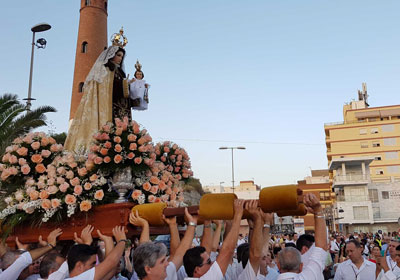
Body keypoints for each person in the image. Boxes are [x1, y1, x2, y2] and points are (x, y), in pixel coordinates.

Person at [65, 43, 132, 152]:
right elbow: (104, 89)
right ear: (111, 55)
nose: (120, 58)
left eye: (122, 56)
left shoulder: (120, 73)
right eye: (118, 55)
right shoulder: (103, 70)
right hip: (107, 108)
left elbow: (123, 91)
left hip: (121, 109)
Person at [276, 193, 328, 280]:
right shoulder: (310, 276)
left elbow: (255, 255)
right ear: (301, 267)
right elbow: (322, 247)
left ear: (278, 266)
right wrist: (318, 211)